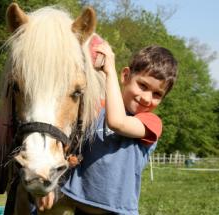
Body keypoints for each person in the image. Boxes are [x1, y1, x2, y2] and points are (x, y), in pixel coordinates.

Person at [59, 37, 178, 215]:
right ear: (125, 76)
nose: (146, 98)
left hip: (118, 211)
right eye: (143, 85)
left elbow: (117, 122)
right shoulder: (95, 109)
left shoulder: (151, 123)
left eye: (157, 94)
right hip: (79, 204)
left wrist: (109, 71)